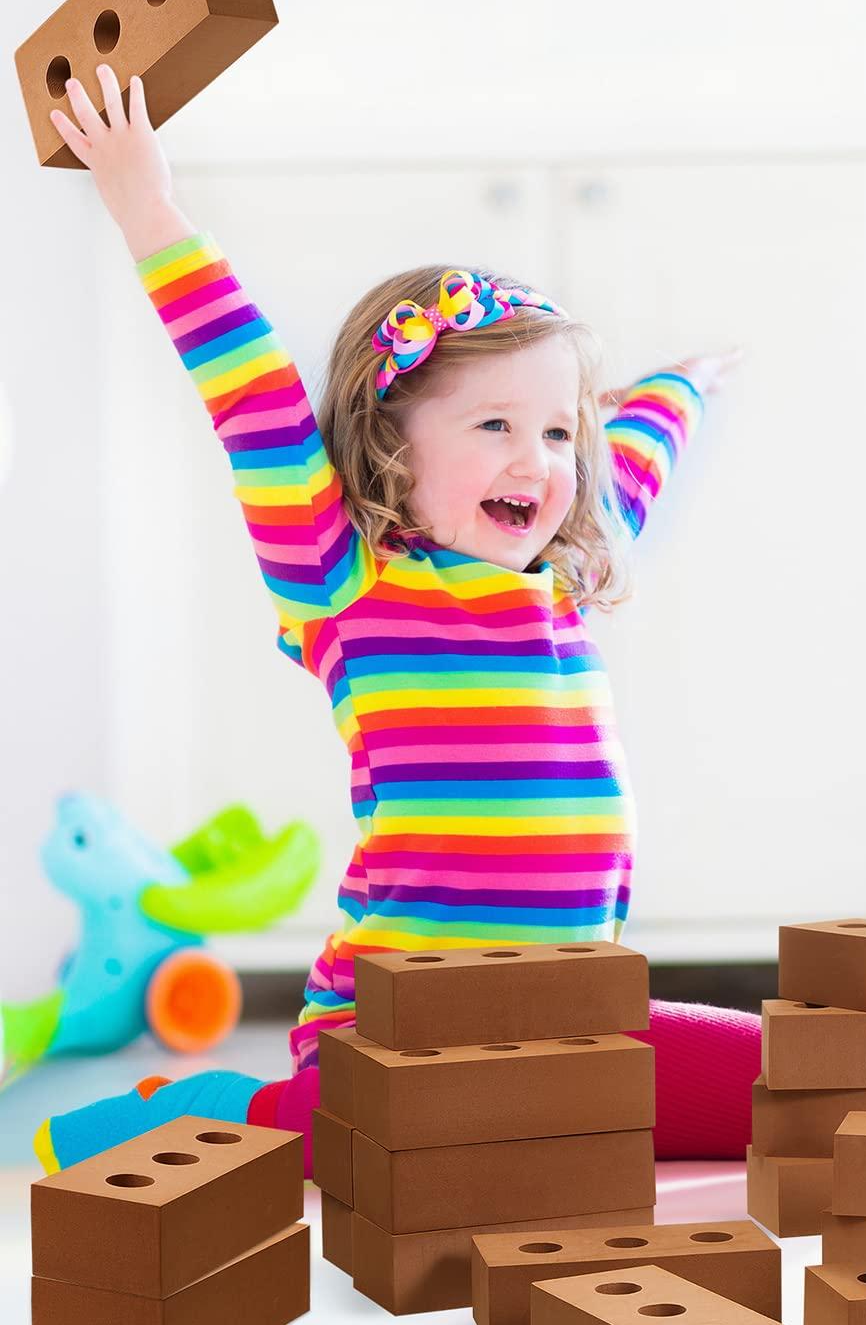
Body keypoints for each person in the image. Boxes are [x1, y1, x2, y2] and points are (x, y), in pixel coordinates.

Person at [37, 65, 758, 1173]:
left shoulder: (562, 576)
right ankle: (200, 1109)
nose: (538, 461)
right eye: (495, 426)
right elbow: (251, 395)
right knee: (372, 1146)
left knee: (788, 1086)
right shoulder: (347, 582)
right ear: (389, 446)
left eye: (555, 433)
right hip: (397, 1033)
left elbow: (634, 450)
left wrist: (689, 382)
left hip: (576, 1019)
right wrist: (147, 204)